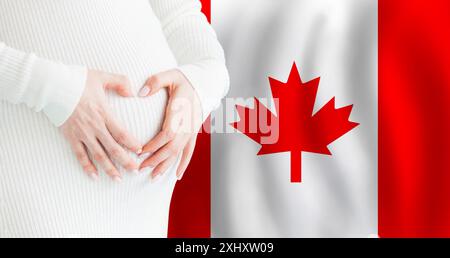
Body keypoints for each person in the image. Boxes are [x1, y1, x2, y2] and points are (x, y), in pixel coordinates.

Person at [0, 0, 229, 237]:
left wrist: (200, 83)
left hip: (146, 199)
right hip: (36, 172)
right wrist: (53, 89)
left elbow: (181, 16)